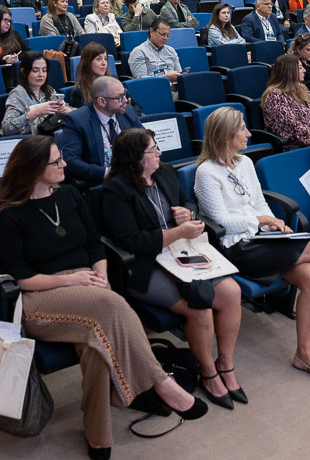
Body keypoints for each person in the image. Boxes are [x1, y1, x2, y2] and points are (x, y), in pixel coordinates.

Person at [0, 135, 207, 457]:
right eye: (56, 162)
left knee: (97, 347)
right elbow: (21, 278)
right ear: (35, 168)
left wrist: (102, 274)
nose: (64, 165)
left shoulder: (69, 196)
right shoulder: (10, 214)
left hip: (89, 285)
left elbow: (95, 244)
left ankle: (98, 435)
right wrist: (71, 282)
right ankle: (161, 383)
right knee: (112, 304)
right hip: (41, 297)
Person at [194, 107, 310, 387]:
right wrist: (262, 221)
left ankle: (304, 355)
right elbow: (222, 222)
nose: (248, 133)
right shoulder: (206, 173)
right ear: (225, 135)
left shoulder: (245, 163)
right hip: (237, 249)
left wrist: (274, 224)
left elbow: (260, 203)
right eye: (243, 128)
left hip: (261, 239)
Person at [102, 126, 246, 411]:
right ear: (135, 158)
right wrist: (179, 232)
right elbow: (133, 241)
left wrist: (187, 212)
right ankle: (208, 372)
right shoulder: (115, 189)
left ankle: (225, 364)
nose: (160, 154)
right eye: (153, 150)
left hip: (183, 252)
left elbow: (188, 200)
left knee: (231, 292)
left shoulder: (165, 172)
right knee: (198, 307)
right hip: (146, 264)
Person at [60, 76, 141, 188]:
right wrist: (109, 173)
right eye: (119, 97)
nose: (125, 100)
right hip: (102, 183)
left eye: (125, 94)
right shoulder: (77, 121)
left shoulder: (128, 112)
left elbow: (146, 143)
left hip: (133, 177)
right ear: (102, 101)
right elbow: (70, 161)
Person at [261, 55, 310, 148]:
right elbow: (292, 128)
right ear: (289, 71)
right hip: (294, 145)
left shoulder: (302, 89)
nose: (304, 70)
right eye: (300, 68)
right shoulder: (275, 95)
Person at [2, 52, 69, 135]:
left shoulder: (48, 90)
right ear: (23, 72)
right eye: (35, 71)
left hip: (50, 137)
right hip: (31, 143)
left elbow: (72, 110)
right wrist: (36, 112)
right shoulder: (17, 94)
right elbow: (7, 128)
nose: (41, 75)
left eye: (44, 70)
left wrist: (67, 110)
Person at [129, 18, 185, 86]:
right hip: (154, 90)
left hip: (175, 87)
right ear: (152, 31)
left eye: (168, 35)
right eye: (162, 34)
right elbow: (141, 81)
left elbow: (179, 74)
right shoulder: (139, 52)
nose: (165, 38)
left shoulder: (171, 50)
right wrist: (166, 78)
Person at [70, 43, 112, 107]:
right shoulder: (79, 92)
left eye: (105, 59)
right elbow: (82, 116)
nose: (104, 63)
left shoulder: (113, 81)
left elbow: (132, 104)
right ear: (88, 62)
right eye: (99, 59)